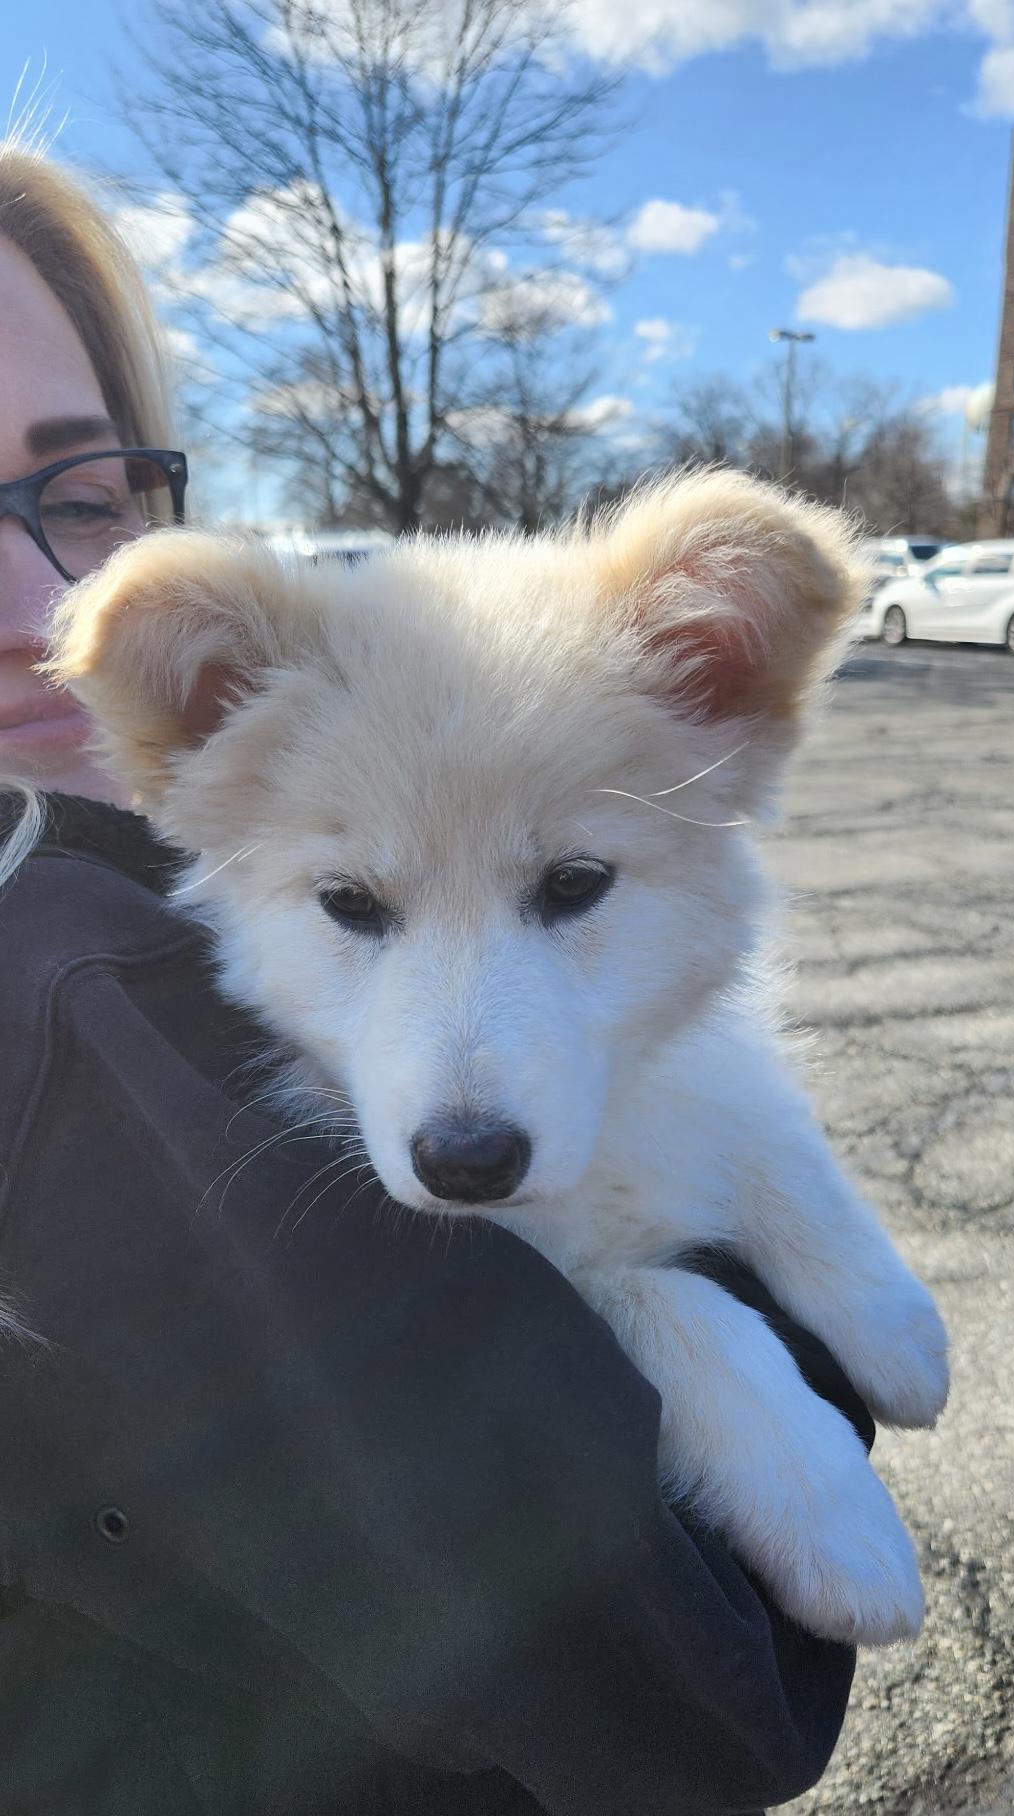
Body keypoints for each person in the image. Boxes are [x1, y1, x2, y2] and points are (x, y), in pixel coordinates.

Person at [0, 139, 872, 1815]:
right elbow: (709, 1690)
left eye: (84, 492)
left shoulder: (161, 865)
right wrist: (744, 1336)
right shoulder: (75, 991)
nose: (40, 597)